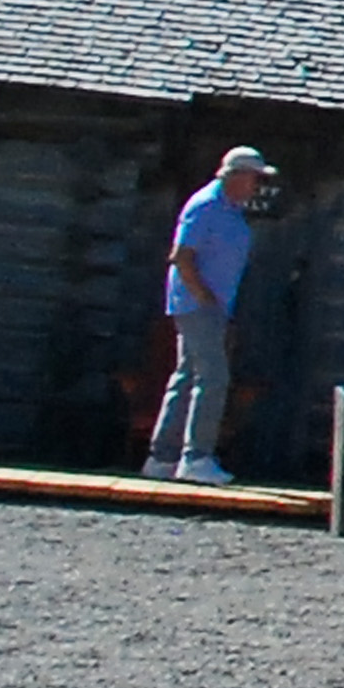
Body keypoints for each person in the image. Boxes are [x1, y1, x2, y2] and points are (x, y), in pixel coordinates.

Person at [142, 145, 274, 484]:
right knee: (213, 378)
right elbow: (182, 255)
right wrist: (204, 298)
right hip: (199, 307)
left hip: (208, 307)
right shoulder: (206, 206)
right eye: (254, 179)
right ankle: (197, 457)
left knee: (186, 378)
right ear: (238, 176)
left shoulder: (230, 210)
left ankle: (162, 458)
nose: (256, 186)